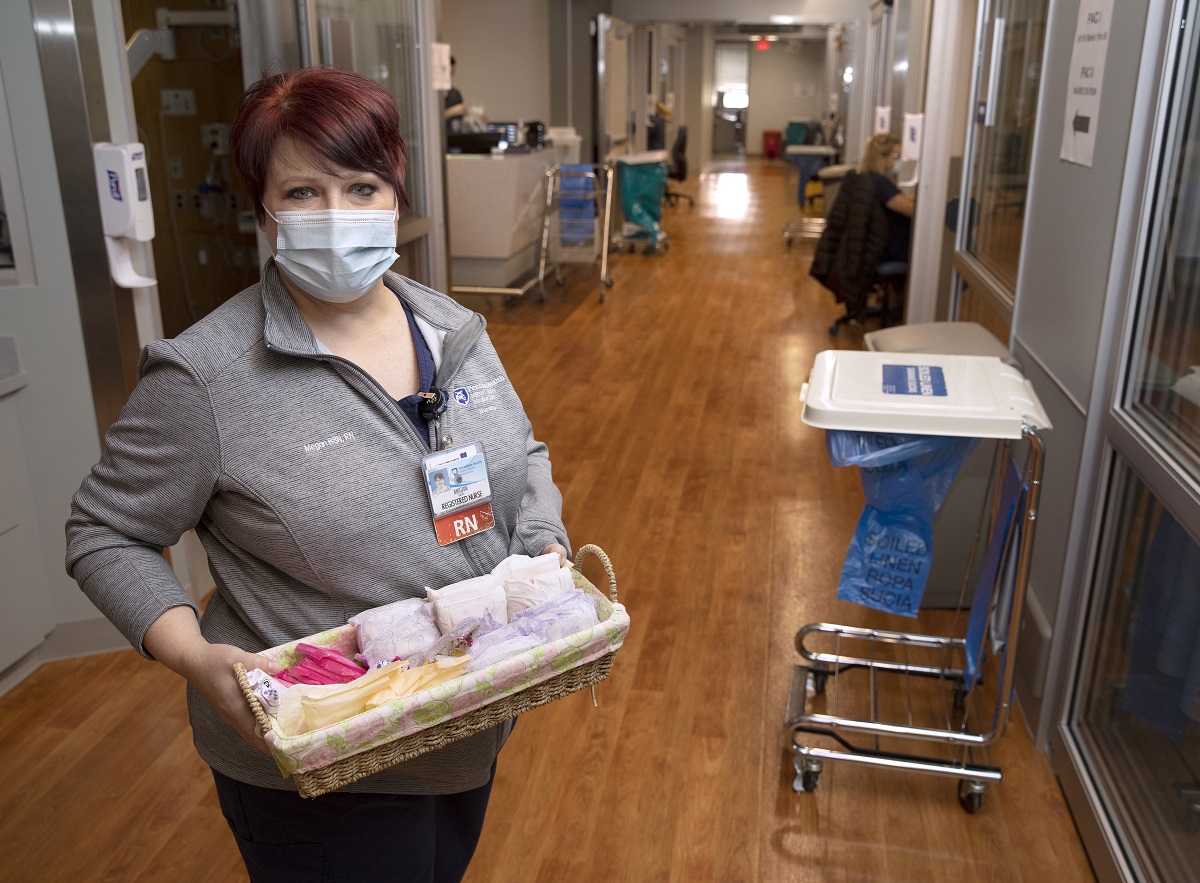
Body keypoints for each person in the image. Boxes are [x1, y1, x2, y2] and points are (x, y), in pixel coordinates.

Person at [65, 66, 569, 883]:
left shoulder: (451, 328)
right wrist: (194, 654)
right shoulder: (207, 377)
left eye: (361, 186)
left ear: (396, 195)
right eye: (302, 192)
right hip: (323, 757)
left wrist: (540, 542)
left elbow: (525, 453)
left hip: (465, 719)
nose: (337, 217)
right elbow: (104, 531)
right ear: (263, 210)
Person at [858, 131, 915, 265]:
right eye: (896, 156)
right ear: (882, 157)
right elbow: (910, 210)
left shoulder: (870, 178)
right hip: (891, 249)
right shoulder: (880, 182)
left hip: (879, 245)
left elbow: (898, 199)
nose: (899, 161)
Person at [444, 56, 465, 134]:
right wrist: (453, 111)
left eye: (452, 72)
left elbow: (462, 119)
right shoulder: (435, 96)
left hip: (455, 137)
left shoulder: (455, 93)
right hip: (440, 137)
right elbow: (434, 118)